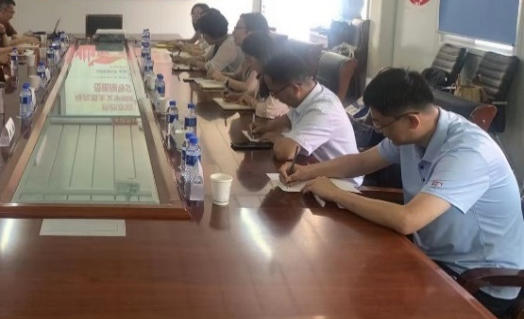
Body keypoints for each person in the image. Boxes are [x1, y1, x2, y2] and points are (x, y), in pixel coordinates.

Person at [281, 69, 524, 318]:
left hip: (479, 281)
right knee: (340, 280)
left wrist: (335, 193)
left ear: (412, 121)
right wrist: (307, 171)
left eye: (380, 124)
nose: (379, 131)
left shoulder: (468, 153)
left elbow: (408, 219)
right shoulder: (415, 133)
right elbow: (362, 162)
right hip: (432, 259)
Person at [254, 52, 361, 184]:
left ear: (294, 89)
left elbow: (284, 152)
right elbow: (288, 119)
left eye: (275, 93)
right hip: (316, 169)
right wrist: (264, 128)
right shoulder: (310, 95)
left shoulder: (322, 110)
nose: (275, 97)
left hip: (342, 183)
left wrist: (275, 137)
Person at [217, 31, 289, 119]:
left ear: (262, 57)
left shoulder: (277, 75)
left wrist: (249, 99)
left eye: (249, 60)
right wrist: (239, 96)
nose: (248, 64)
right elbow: (257, 94)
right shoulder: (263, 73)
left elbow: (268, 110)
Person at [210, 12, 271, 93]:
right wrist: (219, 74)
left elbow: (248, 88)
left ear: (251, 32)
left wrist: (224, 79)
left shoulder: (259, 56)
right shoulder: (247, 52)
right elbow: (237, 75)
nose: (233, 32)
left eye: (237, 28)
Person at [182, 9, 243, 74]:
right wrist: (184, 60)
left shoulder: (229, 44)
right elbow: (205, 57)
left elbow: (212, 67)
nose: (203, 37)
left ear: (212, 32)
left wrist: (193, 62)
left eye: (203, 33)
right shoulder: (218, 41)